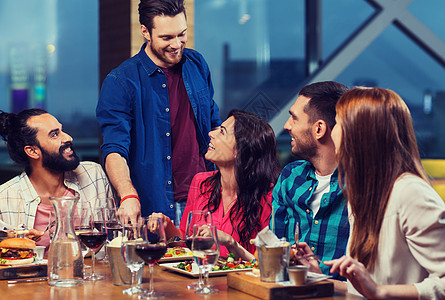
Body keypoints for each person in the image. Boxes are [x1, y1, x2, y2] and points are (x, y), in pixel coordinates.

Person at [96, 0, 221, 226]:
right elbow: (114, 149)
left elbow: (214, 125)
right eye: (166, 37)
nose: (177, 44)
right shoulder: (121, 81)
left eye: (181, 34)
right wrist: (128, 195)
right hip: (156, 206)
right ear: (145, 32)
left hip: (205, 199)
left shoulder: (197, 64)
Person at [321, 87, 445, 299]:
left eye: (338, 122)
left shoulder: (410, 193)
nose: (332, 131)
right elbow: (368, 289)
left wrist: (379, 291)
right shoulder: (363, 195)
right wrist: (320, 279)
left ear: (359, 134)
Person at [151, 110, 281, 259]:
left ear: (240, 150)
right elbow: (186, 246)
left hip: (238, 281)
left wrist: (231, 243)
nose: (211, 134)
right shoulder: (201, 182)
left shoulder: (269, 196)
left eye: (222, 132)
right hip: (200, 279)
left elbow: (266, 264)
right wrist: (167, 227)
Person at [0, 109, 113, 249]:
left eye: (62, 130)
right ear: (32, 151)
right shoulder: (4, 199)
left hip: (92, 270)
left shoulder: (93, 175)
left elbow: (113, 241)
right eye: (54, 134)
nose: (68, 138)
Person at [270, 81, 350, 278]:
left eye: (294, 118)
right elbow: (272, 249)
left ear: (319, 129)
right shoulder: (290, 176)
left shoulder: (361, 185)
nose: (287, 126)